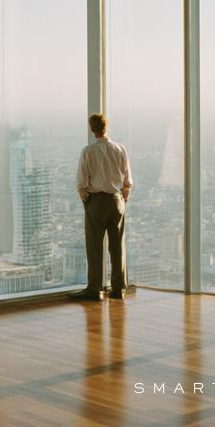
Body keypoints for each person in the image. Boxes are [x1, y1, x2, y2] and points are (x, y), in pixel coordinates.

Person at [71, 113, 133, 301]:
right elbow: (127, 181)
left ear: (92, 129)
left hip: (96, 201)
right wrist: (122, 200)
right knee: (117, 246)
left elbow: (81, 184)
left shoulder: (88, 152)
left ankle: (95, 289)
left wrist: (87, 203)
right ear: (107, 127)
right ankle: (118, 289)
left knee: (95, 247)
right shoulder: (120, 149)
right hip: (116, 201)